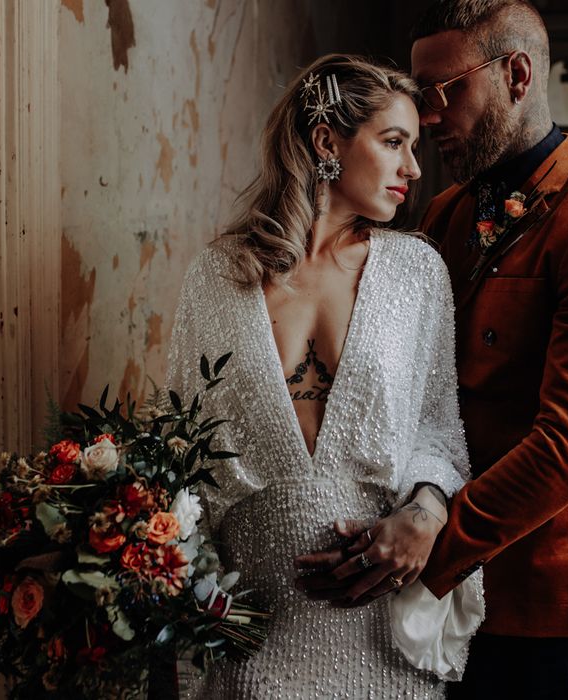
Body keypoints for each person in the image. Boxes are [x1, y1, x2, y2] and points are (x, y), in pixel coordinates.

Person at [296, 2, 568, 698]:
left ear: (517, 74)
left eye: (443, 92)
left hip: (542, 607)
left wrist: (429, 535)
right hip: (430, 590)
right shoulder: (447, 212)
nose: (425, 116)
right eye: (419, 94)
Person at [166, 54, 482, 699]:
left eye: (414, 147)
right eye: (393, 142)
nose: (412, 169)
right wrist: (185, 595)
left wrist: (423, 515)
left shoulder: (416, 273)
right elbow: (181, 448)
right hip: (249, 617)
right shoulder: (219, 274)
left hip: (376, 618)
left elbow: (438, 432)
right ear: (325, 141)